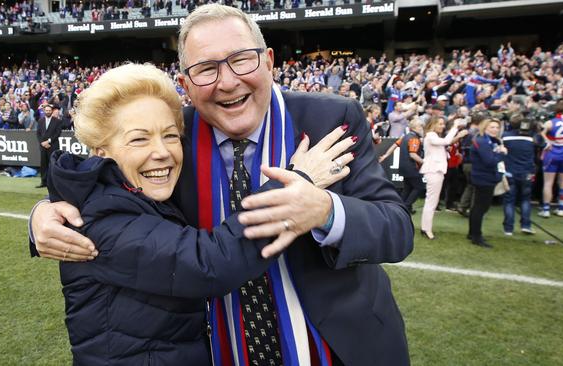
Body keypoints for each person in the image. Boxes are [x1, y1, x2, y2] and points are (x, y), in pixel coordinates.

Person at [29, 4, 414, 366]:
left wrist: (327, 211)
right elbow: (101, 182)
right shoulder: (174, 135)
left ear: (268, 61)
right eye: (207, 69)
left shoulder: (329, 117)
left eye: (241, 59)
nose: (227, 82)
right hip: (221, 349)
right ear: (186, 83)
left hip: (341, 346)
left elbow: (395, 227)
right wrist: (42, 216)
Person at [48, 63, 352, 365]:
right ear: (102, 152)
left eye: (169, 136)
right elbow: (210, 263)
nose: (162, 151)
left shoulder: (133, 195)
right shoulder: (103, 219)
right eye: (139, 139)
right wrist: (296, 182)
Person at [419, 116, 467, 239]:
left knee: (432, 201)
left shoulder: (433, 136)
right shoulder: (430, 136)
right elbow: (446, 141)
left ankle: (426, 228)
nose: (442, 126)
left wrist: (458, 135)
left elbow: (447, 142)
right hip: (434, 171)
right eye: (440, 124)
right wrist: (455, 127)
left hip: (436, 170)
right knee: (431, 202)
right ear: (433, 124)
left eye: (443, 124)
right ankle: (426, 229)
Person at [469, 118, 508, 248]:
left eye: (497, 127)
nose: (495, 130)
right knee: (481, 207)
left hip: (485, 177)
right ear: (485, 127)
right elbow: (489, 161)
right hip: (483, 178)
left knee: (478, 207)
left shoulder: (488, 141)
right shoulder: (482, 141)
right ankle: (476, 236)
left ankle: (473, 233)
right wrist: (502, 154)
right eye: (492, 127)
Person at [539, 101, 563, 218]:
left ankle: (546, 209)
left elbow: (541, 131)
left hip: (553, 154)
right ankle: (561, 208)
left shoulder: (551, 122)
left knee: (548, 183)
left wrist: (547, 140)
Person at [379, 118, 424, 213]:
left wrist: (386, 155)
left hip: (402, 167)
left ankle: (399, 206)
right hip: (411, 167)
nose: (422, 129)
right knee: (419, 187)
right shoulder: (414, 139)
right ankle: (406, 206)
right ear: (416, 127)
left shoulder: (405, 137)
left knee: (407, 188)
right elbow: (413, 154)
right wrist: (424, 162)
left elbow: (394, 145)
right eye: (421, 126)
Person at [501, 113, 536, 236]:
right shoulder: (531, 138)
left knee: (509, 200)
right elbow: (542, 144)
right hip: (526, 171)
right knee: (525, 199)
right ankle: (526, 225)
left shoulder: (505, 137)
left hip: (510, 171)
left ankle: (508, 228)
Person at [36, 104, 63, 188]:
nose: (48, 112)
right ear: (44, 111)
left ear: (52, 111)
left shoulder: (57, 121)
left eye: (49, 110)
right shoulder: (40, 121)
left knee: (53, 164)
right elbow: (38, 133)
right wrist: (42, 143)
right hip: (43, 146)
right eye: (46, 110)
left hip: (53, 145)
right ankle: (43, 182)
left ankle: (54, 183)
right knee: (43, 164)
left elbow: (58, 133)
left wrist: (48, 141)